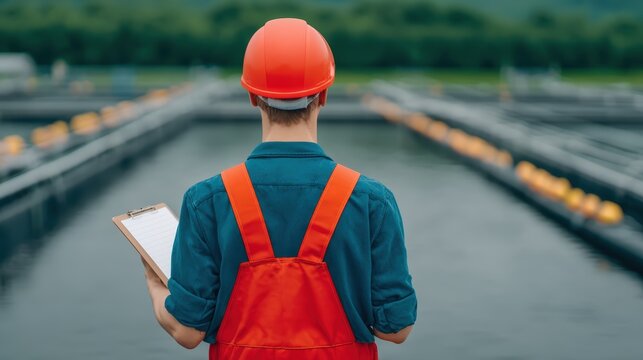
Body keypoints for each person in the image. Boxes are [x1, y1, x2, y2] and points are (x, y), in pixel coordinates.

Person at [142, 18, 417, 359]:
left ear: (253, 96)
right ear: (325, 94)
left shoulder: (207, 201)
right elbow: (397, 329)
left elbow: (186, 331)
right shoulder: (372, 201)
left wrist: (157, 290)